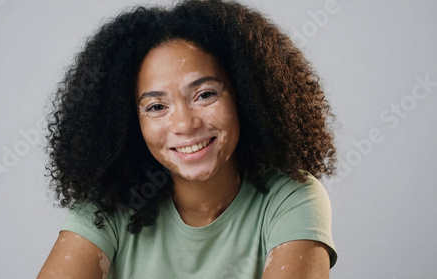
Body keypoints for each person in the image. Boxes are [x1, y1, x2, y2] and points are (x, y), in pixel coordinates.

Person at [37, 0, 338, 278]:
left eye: (205, 94)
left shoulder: (291, 199)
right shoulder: (106, 208)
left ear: (245, 97)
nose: (184, 124)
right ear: (131, 123)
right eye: (156, 107)